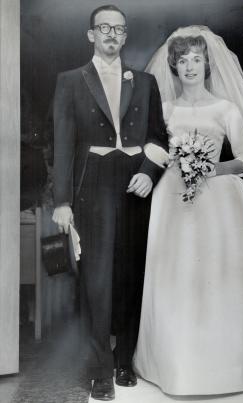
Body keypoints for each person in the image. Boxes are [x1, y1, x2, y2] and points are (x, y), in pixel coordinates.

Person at [134, 26, 243, 396]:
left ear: (207, 64)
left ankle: (228, 363)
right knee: (176, 277)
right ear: (173, 66)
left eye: (196, 59)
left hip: (218, 203)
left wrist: (212, 168)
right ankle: (175, 362)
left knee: (217, 278)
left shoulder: (226, 109)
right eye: (182, 60)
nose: (189, 66)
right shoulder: (165, 109)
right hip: (172, 199)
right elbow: (155, 150)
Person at [51, 5, 168, 401]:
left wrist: (150, 174)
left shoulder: (146, 82)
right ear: (91, 36)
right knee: (96, 281)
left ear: (125, 35)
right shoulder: (70, 81)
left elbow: (159, 138)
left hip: (134, 183)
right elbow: (63, 145)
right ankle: (100, 371)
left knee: (131, 275)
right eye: (104, 28)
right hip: (92, 186)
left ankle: (124, 363)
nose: (112, 35)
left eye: (119, 29)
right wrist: (62, 201)